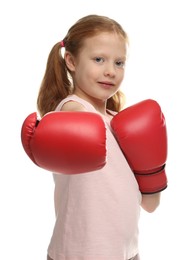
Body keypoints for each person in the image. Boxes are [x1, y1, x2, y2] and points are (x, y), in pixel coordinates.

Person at [22, 14, 168, 260]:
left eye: (119, 63)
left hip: (127, 251)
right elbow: (68, 121)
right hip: (82, 252)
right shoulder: (73, 109)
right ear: (71, 61)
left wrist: (152, 169)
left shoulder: (118, 123)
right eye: (99, 59)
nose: (110, 71)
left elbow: (150, 205)